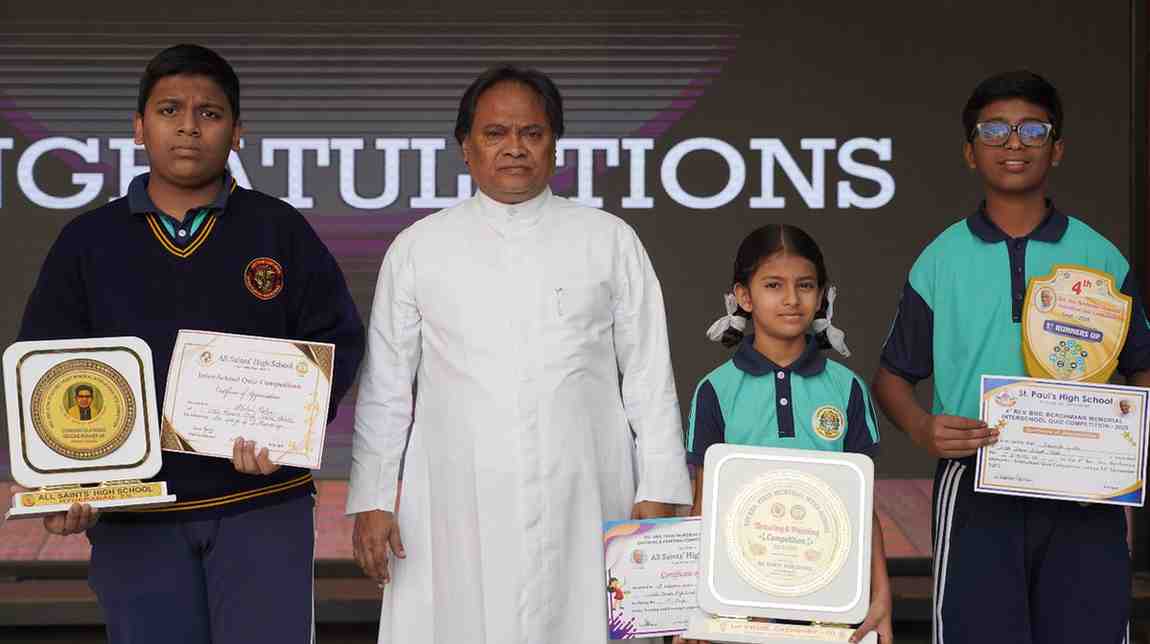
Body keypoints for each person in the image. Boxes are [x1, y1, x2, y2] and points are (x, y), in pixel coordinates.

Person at [17, 43, 365, 644]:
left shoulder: (278, 228)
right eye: (169, 110)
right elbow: (46, 366)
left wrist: (287, 434)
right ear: (138, 127)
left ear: (237, 132)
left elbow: (338, 336)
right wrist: (66, 480)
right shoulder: (87, 241)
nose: (188, 127)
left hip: (262, 504)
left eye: (209, 113)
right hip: (135, 514)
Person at [347, 64, 692, 644]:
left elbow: (649, 376)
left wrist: (658, 486)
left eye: (532, 133)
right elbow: (386, 389)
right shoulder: (418, 248)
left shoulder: (609, 240)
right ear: (466, 147)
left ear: (555, 145)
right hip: (456, 497)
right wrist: (373, 499)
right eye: (495, 133)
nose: (514, 147)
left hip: (584, 490)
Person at [872, 70, 1150, 644]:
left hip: (1085, 488)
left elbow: (1142, 363)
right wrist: (923, 428)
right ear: (970, 152)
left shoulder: (1101, 255)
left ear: (1058, 148)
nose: (1015, 142)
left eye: (1033, 129)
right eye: (995, 130)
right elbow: (892, 378)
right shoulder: (940, 259)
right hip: (976, 480)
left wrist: (1123, 432)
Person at [676, 224, 892, 644]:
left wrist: (880, 596)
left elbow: (863, 508)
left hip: (828, 606)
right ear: (744, 296)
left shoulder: (847, 388)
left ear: (823, 295)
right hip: (739, 607)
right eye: (773, 285)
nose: (792, 299)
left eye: (805, 285)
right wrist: (692, 608)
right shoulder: (715, 390)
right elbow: (703, 509)